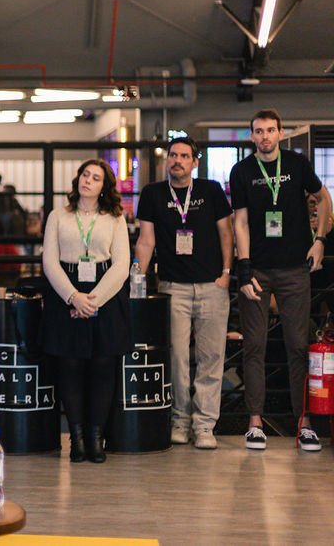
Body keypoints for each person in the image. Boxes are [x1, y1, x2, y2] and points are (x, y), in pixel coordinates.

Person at [230, 108, 332, 452]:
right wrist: (244, 269)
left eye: (270, 130)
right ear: (252, 136)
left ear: (281, 132)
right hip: (257, 271)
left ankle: (305, 424)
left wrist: (320, 241)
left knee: (298, 347)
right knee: (254, 347)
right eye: (259, 131)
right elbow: (240, 222)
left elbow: (324, 198)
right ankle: (255, 424)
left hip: (294, 270)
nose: (265, 136)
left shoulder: (297, 164)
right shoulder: (242, 171)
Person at [134, 136, 233, 450]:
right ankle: (179, 420)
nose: (177, 160)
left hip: (212, 286)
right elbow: (146, 240)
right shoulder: (152, 193)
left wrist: (226, 273)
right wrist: (137, 278)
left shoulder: (211, 190)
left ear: (195, 162)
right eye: (173, 155)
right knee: (176, 358)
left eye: (184, 156)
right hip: (172, 287)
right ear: (167, 159)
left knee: (211, 358)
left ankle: (204, 426)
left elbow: (226, 233)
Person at [41, 159, 131, 463]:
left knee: (103, 367)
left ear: (104, 186)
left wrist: (93, 301)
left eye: (95, 177)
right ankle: (76, 439)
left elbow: (121, 264)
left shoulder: (115, 218)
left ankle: (96, 438)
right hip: (66, 293)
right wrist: (73, 297)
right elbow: (49, 262)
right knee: (70, 367)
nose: (87, 181)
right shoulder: (58, 216)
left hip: (105, 294)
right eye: (85, 175)